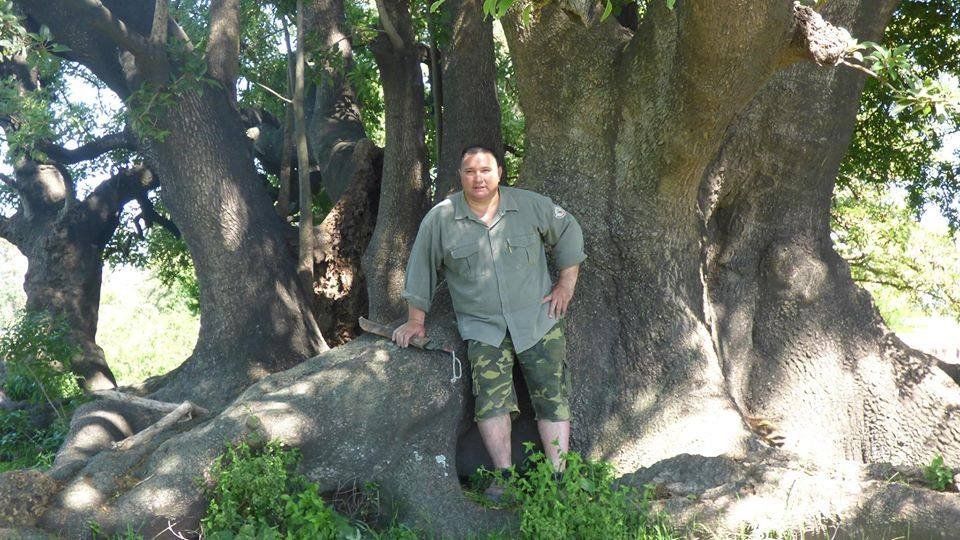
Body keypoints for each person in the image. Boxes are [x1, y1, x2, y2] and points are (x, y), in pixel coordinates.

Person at [392, 145, 586, 499]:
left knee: (553, 397)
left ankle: (559, 480)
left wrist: (566, 285)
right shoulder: (442, 218)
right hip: (484, 329)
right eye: (470, 171)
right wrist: (415, 320)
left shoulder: (530, 205)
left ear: (499, 173)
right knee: (491, 404)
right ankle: (505, 478)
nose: (478, 178)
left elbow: (569, 230)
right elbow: (421, 267)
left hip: (539, 321)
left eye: (485, 170)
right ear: (460, 176)